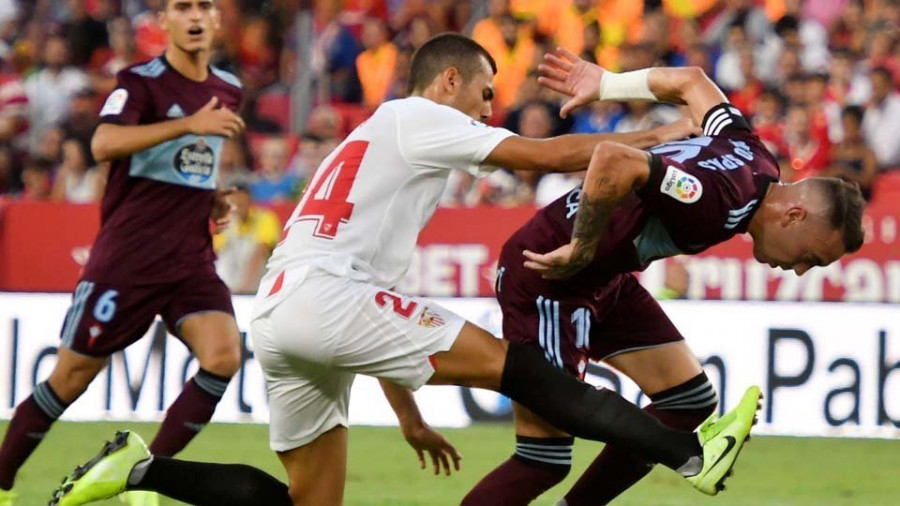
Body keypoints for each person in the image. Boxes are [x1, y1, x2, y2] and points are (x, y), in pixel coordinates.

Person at [50, 34, 760, 506]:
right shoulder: (417, 116)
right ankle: (691, 456)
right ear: (449, 80)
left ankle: (140, 468)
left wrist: (409, 415)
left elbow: (371, 311)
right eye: (485, 95)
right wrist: (660, 135)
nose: (491, 111)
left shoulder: (377, 143)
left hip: (282, 310)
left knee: (305, 503)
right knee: (531, 373)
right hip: (326, 298)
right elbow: (539, 156)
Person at [463, 48, 866, 506]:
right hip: (550, 275)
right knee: (543, 459)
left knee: (688, 399)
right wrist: (583, 243)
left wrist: (610, 84)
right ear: (794, 216)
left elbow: (693, 82)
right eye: (809, 258)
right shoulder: (713, 200)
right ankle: (685, 459)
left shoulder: (756, 159)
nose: (797, 269)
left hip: (605, 277)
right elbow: (615, 161)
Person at [0, 1, 246, 505]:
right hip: (129, 259)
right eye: (183, 6)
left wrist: (212, 193)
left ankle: (140, 477)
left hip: (190, 258)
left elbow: (196, 159)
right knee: (68, 380)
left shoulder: (228, 88)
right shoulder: (139, 82)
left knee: (223, 357)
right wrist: (187, 125)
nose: (195, 15)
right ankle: (1, 481)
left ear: (217, 20)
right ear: (165, 22)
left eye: (205, 6)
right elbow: (105, 144)